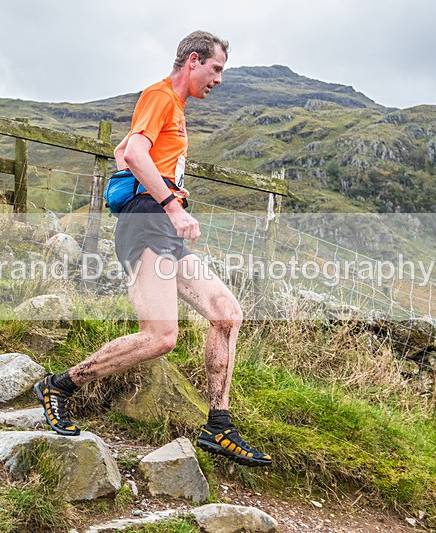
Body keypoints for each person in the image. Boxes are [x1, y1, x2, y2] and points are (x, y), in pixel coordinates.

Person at [34, 30, 271, 467]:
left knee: (227, 314)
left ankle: (218, 426)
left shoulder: (174, 109)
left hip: (162, 227)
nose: (218, 80)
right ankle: (60, 385)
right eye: (216, 69)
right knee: (160, 336)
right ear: (194, 61)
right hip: (148, 222)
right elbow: (139, 153)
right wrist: (172, 206)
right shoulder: (160, 95)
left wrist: (139, 170)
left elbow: (127, 149)